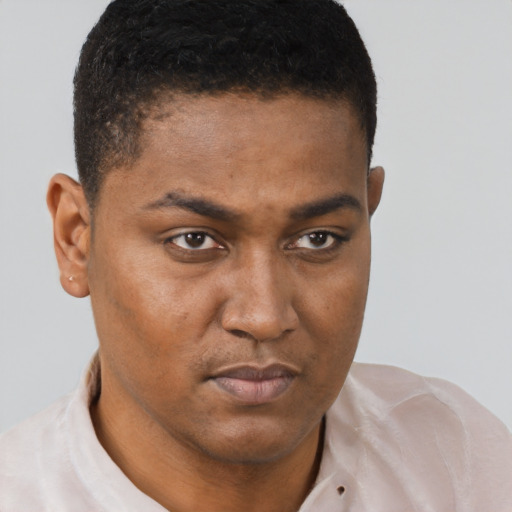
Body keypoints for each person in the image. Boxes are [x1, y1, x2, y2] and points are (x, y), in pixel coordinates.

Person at [0, 0, 510, 510]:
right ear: (76, 238)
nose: (264, 317)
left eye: (318, 239)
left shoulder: (458, 465)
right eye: (194, 240)